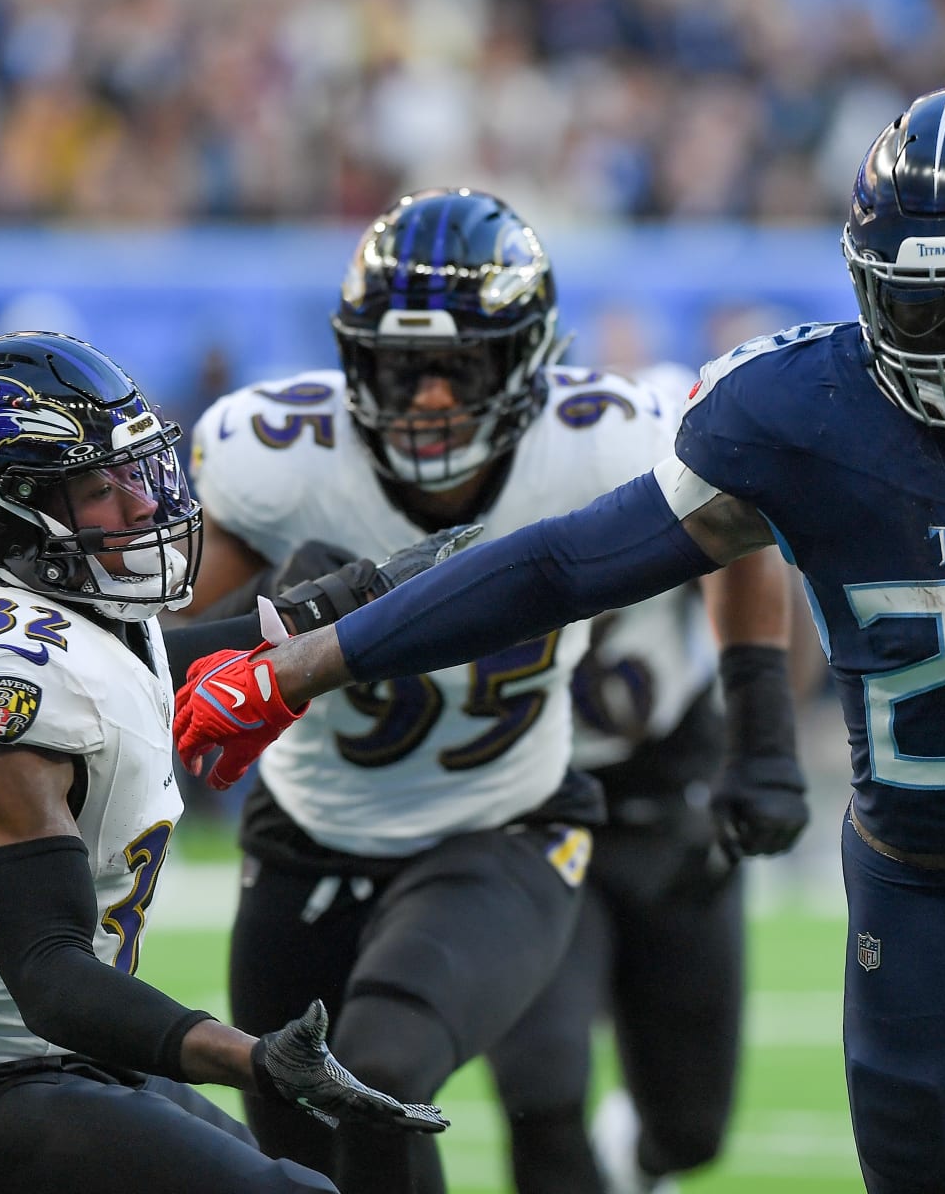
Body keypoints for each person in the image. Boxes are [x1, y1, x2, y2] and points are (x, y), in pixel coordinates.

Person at [172, 86, 945, 1194]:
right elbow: (559, 566)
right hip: (927, 906)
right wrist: (297, 667)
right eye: (914, 305)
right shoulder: (799, 414)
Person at [181, 188, 802, 1193]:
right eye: (399, 366)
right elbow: (162, 657)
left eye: (457, 367)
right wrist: (270, 618)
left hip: (502, 822)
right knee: (301, 1157)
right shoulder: (277, 456)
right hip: (309, 830)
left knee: (378, 1071)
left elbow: (738, 535)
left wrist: (762, 734)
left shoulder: (607, 437)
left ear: (523, 359)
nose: (428, 398)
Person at [0, 331, 449, 1194]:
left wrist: (351, 607)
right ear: (6, 511)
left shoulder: (41, 596)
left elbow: (146, 669)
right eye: (102, 486)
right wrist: (256, 1060)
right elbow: (51, 974)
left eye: (137, 470)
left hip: (55, 1060)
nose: (141, 504)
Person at [484, 364, 775, 1194]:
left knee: (688, 1132)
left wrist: (762, 748)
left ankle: (640, 1162)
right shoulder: (493, 491)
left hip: (664, 804)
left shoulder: (670, 470)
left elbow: (757, 583)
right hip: (529, 812)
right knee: (541, 1090)